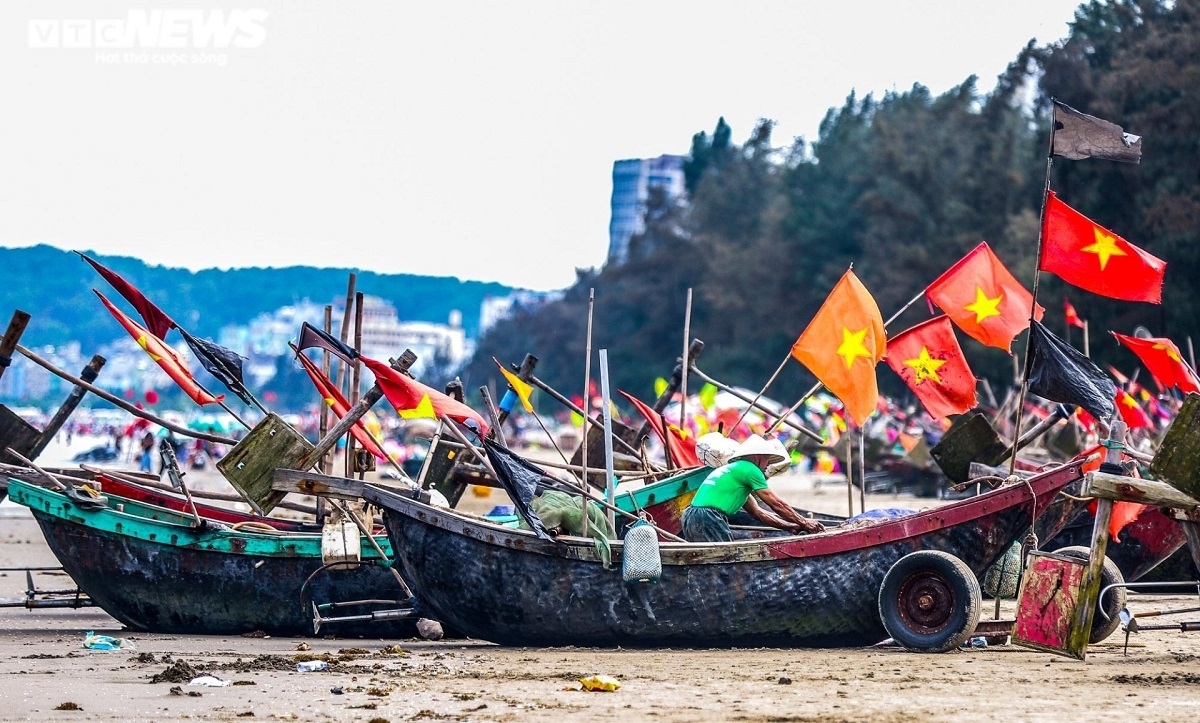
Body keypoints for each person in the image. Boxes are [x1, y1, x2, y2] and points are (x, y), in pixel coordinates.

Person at [681, 434, 824, 542]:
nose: (768, 464)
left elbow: (758, 513)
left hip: (690, 516)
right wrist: (804, 522)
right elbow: (776, 504)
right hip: (708, 517)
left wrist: (790, 527)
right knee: (723, 562)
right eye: (767, 458)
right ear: (758, 456)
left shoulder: (736, 470)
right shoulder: (750, 469)